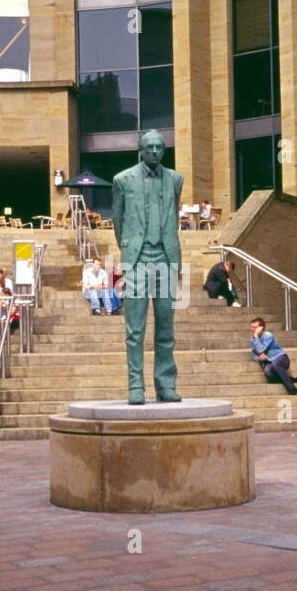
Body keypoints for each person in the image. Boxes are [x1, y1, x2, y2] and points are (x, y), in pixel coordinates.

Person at [112, 128, 184, 405]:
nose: (154, 152)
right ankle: (136, 387)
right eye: (149, 147)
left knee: (166, 328)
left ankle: (166, 385)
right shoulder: (122, 180)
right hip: (138, 259)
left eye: (159, 147)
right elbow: (118, 220)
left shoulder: (175, 179)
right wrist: (130, 248)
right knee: (135, 330)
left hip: (166, 258)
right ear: (140, 150)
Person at [249, 318, 297, 394]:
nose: (252, 329)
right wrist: (259, 358)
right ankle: (289, 379)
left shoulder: (268, 335)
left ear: (261, 328)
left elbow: (261, 350)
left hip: (281, 358)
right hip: (269, 362)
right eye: (251, 327)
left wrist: (256, 336)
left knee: (275, 364)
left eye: (255, 327)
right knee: (268, 373)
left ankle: (292, 388)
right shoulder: (252, 340)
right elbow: (254, 353)